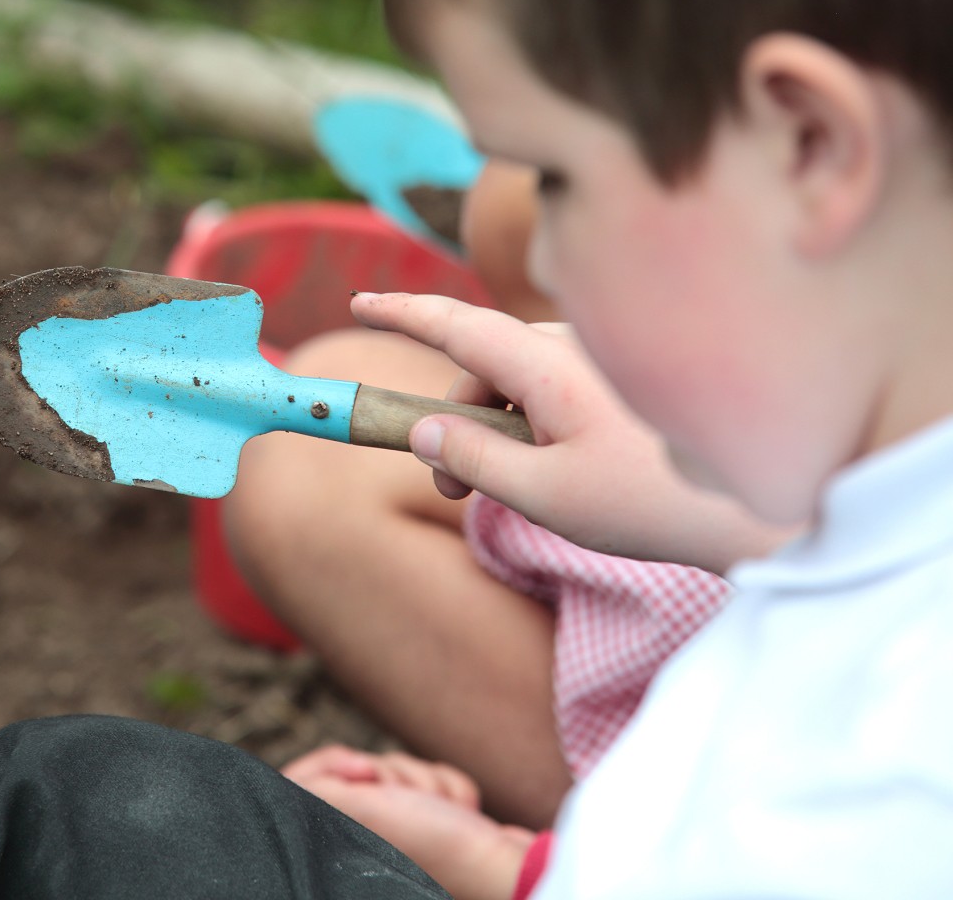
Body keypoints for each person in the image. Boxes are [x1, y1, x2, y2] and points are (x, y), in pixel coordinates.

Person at [0, 0, 953, 896]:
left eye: (556, 179)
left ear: (809, 143)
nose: (538, 262)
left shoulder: (869, 790)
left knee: (59, 810)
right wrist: (734, 521)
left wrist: (506, 870)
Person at [225, 157, 767, 833]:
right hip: (726, 483)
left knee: (299, 486)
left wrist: (500, 868)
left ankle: (607, 823)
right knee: (514, 202)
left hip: (729, 749)